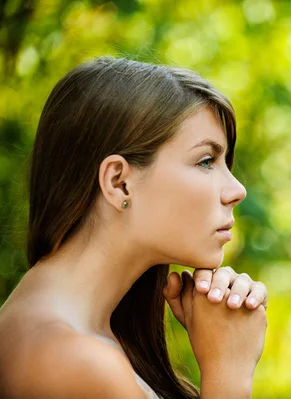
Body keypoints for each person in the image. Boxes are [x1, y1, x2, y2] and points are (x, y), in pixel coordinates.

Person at [0, 56, 268, 398]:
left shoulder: (93, 337)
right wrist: (228, 371)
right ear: (119, 182)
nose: (236, 191)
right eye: (206, 161)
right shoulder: (74, 360)